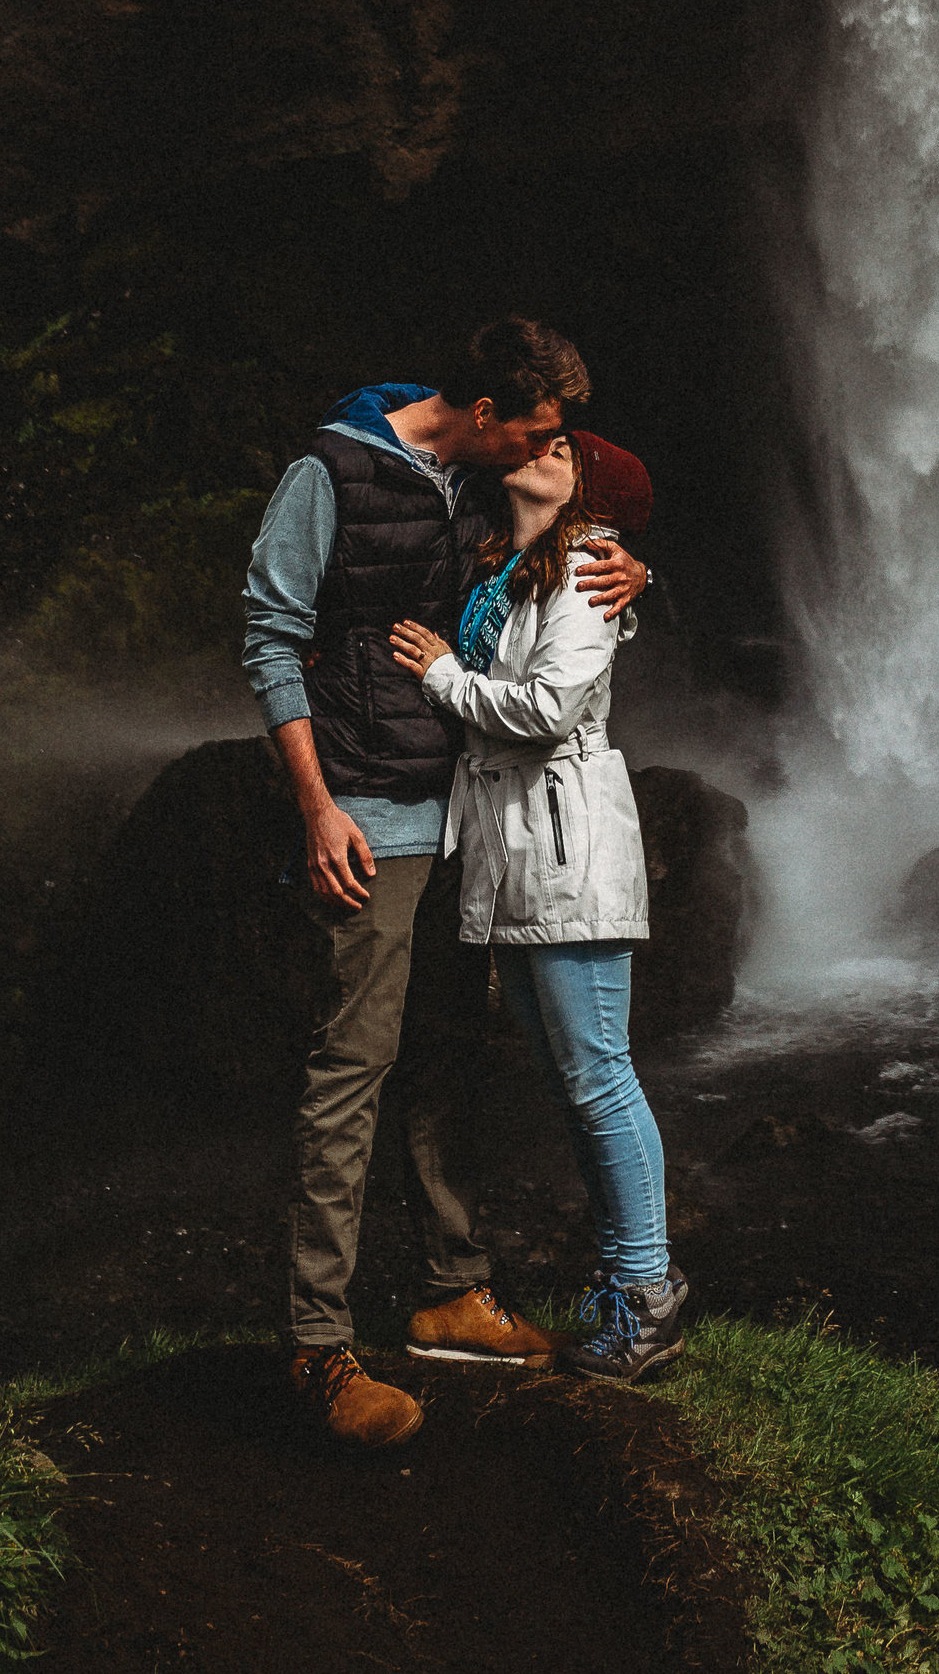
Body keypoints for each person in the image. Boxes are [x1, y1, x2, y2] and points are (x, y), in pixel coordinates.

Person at [240, 316, 651, 1446]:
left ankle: (450, 1289)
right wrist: (318, 810)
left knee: (444, 1060)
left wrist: (629, 562)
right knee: (352, 1066)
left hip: (467, 815)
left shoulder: (471, 485)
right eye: (540, 431)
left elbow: (534, 590)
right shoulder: (329, 475)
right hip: (369, 815)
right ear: (485, 416)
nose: (547, 451)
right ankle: (317, 1350)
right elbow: (272, 639)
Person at [389, 410, 687, 1383]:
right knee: (578, 1083)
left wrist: (438, 676)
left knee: (600, 1078)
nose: (539, 451)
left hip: (565, 856)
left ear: (588, 501)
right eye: (542, 440)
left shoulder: (589, 572)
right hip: (516, 860)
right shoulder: (499, 577)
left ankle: (649, 1297)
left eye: (561, 453)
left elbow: (548, 710)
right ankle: (625, 1290)